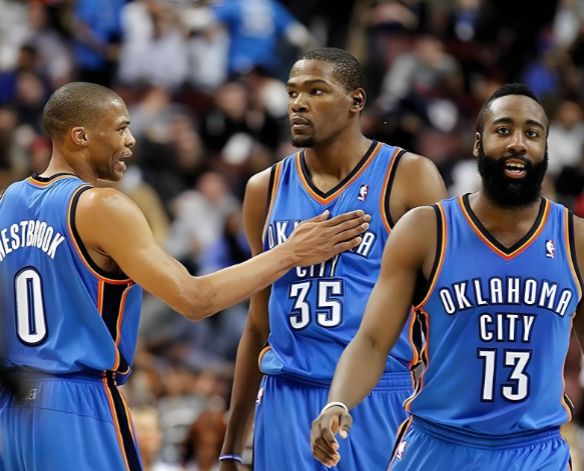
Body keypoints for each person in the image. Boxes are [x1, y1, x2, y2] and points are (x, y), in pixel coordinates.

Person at [0, 81, 370, 471]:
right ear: (80, 136)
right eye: (121, 128)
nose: (130, 140)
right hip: (75, 404)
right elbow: (195, 299)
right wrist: (290, 252)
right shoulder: (100, 205)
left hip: (11, 409)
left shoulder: (8, 202)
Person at [311, 83, 583, 470]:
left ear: (545, 149)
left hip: (534, 452)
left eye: (532, 133)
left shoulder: (576, 239)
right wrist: (338, 402)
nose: (518, 143)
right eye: (503, 130)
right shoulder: (426, 229)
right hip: (439, 444)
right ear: (477, 144)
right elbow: (372, 341)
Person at [220, 48, 446, 470]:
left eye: (316, 91)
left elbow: (442, 313)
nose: (298, 103)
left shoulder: (410, 176)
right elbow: (256, 324)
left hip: (377, 396)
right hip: (284, 395)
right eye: (292, 92)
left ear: (356, 101)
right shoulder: (264, 188)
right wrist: (232, 445)